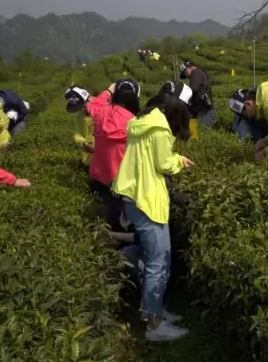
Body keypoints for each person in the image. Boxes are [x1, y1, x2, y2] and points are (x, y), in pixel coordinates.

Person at [112, 93, 194, 342]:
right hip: (148, 200)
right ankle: (154, 326)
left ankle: (153, 310)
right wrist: (179, 160)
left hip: (137, 198)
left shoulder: (143, 122)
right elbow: (163, 164)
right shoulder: (158, 128)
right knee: (158, 264)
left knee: (159, 259)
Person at [86, 79, 140, 227]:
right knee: (123, 218)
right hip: (121, 179)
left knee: (104, 212)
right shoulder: (134, 122)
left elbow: (93, 103)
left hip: (99, 175)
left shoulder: (100, 113)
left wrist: (108, 91)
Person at [64, 86, 95, 168]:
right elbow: (77, 134)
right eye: (80, 108)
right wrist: (84, 142)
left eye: (83, 106)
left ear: (88, 98)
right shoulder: (79, 117)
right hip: (89, 160)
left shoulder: (104, 109)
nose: (82, 110)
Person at [179, 61, 216, 128]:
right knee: (197, 131)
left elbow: (193, 89)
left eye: (184, 73)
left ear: (187, 69)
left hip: (203, 109)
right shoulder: (198, 73)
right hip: (201, 108)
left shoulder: (196, 73)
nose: (186, 76)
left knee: (203, 131)